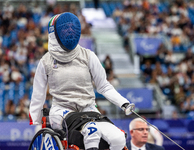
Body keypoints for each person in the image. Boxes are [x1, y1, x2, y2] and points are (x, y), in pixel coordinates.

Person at [29, 12, 134, 150]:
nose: (70, 32)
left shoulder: (88, 56)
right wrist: (36, 121)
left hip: (88, 109)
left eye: (72, 28)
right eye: (65, 29)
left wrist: (124, 103)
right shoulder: (46, 61)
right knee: (92, 131)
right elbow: (38, 95)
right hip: (61, 111)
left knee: (118, 137)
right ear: (54, 32)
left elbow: (104, 86)